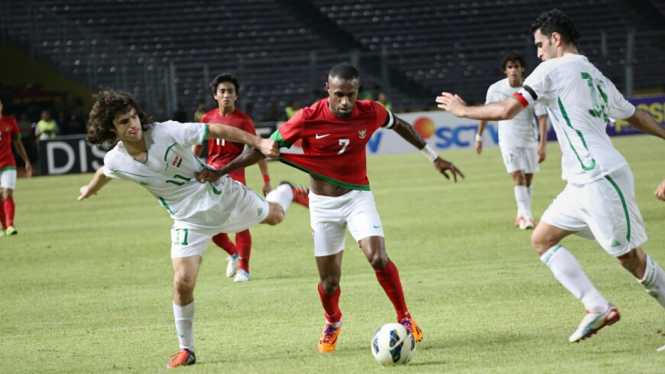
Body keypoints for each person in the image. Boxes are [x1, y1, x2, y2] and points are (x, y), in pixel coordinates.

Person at [196, 63, 464, 352]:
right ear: (328, 90)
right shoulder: (306, 118)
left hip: (358, 197)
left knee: (377, 257)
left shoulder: (370, 111)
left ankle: (405, 317)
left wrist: (433, 157)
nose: (346, 102)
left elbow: (399, 124)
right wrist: (222, 170)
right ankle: (333, 320)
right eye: (339, 95)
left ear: (358, 90)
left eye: (351, 94)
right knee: (329, 283)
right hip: (322, 206)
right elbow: (261, 149)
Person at [437, 9, 665, 346]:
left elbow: (505, 110)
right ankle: (596, 306)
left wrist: (463, 111)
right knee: (541, 239)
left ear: (555, 39)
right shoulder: (593, 72)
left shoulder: (551, 69)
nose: (538, 52)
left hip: (601, 178)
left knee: (631, 259)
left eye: (540, 44)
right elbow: (637, 116)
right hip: (581, 183)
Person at [77, 90, 308, 368]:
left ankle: (287, 190)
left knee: (275, 216)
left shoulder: (167, 132)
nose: (133, 124)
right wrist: (90, 189)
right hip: (188, 220)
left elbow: (215, 129)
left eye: (134, 117)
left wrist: (258, 141)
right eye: (124, 122)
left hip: (222, 195)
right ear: (111, 128)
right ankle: (186, 349)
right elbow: (105, 172)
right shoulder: (117, 160)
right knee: (182, 282)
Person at [193, 73, 284, 283]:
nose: (226, 95)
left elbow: (258, 148)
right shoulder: (206, 118)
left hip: (235, 176)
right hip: (211, 176)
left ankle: (244, 269)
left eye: (230, 91)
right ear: (215, 96)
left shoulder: (243, 120)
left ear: (236, 96)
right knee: (207, 223)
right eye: (222, 91)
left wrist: (266, 179)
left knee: (241, 222)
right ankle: (233, 252)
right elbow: (196, 149)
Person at [476, 52, 548, 229]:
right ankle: (528, 217)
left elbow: (542, 118)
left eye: (516, 66)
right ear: (505, 70)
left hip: (529, 139)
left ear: (522, 68)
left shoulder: (531, 89)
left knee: (528, 179)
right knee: (518, 176)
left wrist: (542, 144)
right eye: (510, 67)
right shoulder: (496, 89)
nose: (513, 70)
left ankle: (521, 214)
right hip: (508, 140)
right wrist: (479, 136)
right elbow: (487, 112)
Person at [0, 99, 33, 236]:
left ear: (1, 105)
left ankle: (10, 225)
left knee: (7, 192)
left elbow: (17, 143)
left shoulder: (10, 122)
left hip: (8, 163)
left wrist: (26, 161)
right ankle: (2, 227)